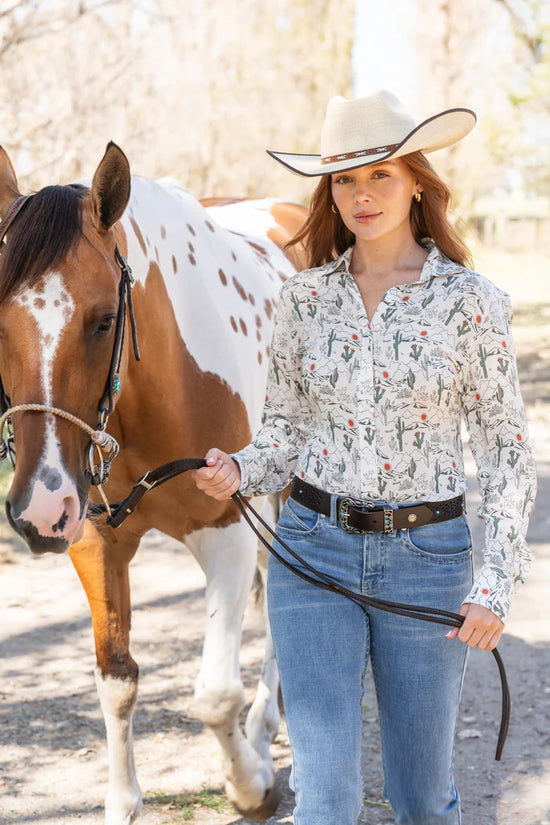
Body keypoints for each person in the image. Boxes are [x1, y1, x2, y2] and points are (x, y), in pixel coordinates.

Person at [193, 90, 537, 825]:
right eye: (344, 179)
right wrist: (241, 468)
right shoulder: (303, 300)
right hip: (312, 553)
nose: (361, 194)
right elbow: (283, 430)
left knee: (421, 799)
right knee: (324, 800)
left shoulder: (471, 302)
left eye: (379, 174)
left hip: (429, 559)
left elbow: (508, 453)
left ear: (417, 180)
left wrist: (497, 582)